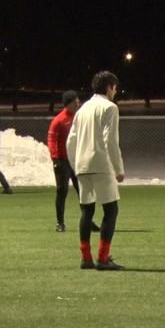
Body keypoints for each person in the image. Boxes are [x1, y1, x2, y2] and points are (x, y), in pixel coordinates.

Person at [66, 71, 125, 271]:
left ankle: (86, 258)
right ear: (109, 87)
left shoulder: (82, 109)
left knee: (87, 211)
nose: (115, 92)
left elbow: (71, 141)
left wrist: (76, 164)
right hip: (101, 164)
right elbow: (110, 141)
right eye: (115, 88)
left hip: (82, 165)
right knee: (111, 210)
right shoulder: (110, 107)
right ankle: (103, 258)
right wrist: (118, 168)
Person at [48, 90, 97, 233]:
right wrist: (55, 157)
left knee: (83, 191)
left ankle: (88, 221)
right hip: (62, 161)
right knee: (62, 191)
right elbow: (51, 139)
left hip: (77, 160)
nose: (78, 104)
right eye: (75, 102)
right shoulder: (59, 120)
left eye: (78, 101)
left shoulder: (79, 116)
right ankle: (60, 223)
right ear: (68, 104)